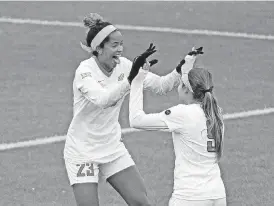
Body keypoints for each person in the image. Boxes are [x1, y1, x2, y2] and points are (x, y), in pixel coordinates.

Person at [63, 13, 182, 206]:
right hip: (82, 150)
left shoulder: (125, 66)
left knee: (141, 203)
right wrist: (130, 80)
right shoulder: (84, 71)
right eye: (114, 45)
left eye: (121, 44)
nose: (120, 50)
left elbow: (161, 86)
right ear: (98, 48)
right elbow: (103, 100)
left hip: (111, 146)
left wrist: (180, 69)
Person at [129, 47, 227, 206]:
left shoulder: (182, 114)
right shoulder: (216, 113)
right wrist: (188, 61)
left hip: (190, 197)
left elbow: (136, 120)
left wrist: (137, 79)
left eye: (180, 83)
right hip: (217, 195)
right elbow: (192, 80)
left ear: (187, 90)